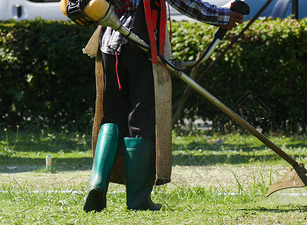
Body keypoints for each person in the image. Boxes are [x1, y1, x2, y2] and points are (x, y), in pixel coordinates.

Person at [83, 0, 244, 212]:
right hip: (141, 45)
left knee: (112, 116)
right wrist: (223, 16)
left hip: (109, 44)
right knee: (141, 118)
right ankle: (138, 199)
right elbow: (185, 3)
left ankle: (97, 183)